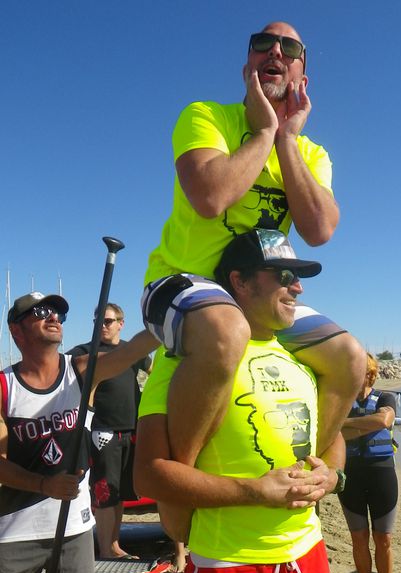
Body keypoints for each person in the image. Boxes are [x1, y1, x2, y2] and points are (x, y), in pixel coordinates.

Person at [134, 230, 345, 573]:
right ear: (240, 282)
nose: (296, 287)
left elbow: (332, 439)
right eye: (283, 277)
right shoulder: (188, 360)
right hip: (231, 564)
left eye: (299, 278)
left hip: (307, 557)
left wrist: (332, 477)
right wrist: (254, 491)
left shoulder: (303, 360)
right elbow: (151, 476)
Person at [141, 20, 364, 488]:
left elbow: (320, 229)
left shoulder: (310, 153)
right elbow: (209, 197)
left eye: (289, 48)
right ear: (247, 67)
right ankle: (187, 479)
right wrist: (264, 132)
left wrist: (286, 141)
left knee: (350, 357)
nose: (275, 52)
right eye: (263, 44)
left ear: (303, 77)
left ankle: (306, 470)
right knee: (226, 329)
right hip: (179, 281)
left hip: (259, 292)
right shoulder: (206, 117)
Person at [0, 291, 158, 573]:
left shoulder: (81, 372)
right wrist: (43, 485)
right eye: (40, 312)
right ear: (17, 330)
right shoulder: (4, 387)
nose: (54, 317)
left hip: (73, 529)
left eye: (58, 312)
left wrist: (165, 317)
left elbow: (131, 351)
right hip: (14, 531)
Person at [68, 303, 152, 560]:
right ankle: (107, 548)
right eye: (98, 321)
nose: (101, 326)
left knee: (120, 493)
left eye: (107, 321)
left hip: (130, 430)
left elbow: (154, 374)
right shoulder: (84, 352)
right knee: (104, 492)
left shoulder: (131, 352)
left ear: (120, 323)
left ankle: (114, 544)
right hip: (102, 431)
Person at [340, 353, 401, 573]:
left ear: (370, 374)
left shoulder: (386, 398)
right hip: (351, 475)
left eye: (358, 369)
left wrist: (344, 426)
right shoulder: (341, 401)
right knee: (358, 538)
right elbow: (331, 432)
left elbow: (383, 421)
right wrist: (346, 427)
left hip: (381, 475)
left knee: (384, 539)